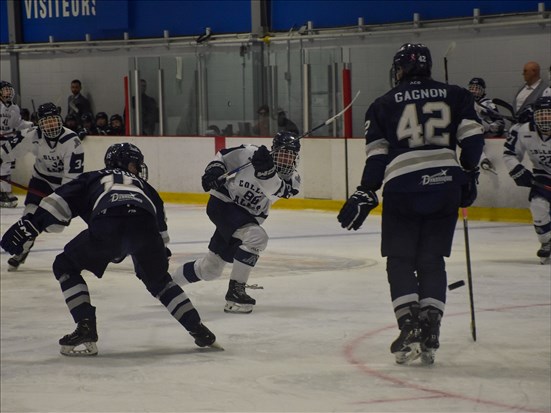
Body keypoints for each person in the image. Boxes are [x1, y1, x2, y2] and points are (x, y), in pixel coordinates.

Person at [337, 43, 484, 365]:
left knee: (401, 260)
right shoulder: (456, 95)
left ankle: (409, 325)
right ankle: (430, 325)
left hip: (402, 188)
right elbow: (473, 140)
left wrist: (366, 190)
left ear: (400, 69)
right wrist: (468, 174)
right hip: (445, 186)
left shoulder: (382, 104)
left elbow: (377, 157)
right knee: (432, 260)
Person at [0, 143, 221, 356]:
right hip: (145, 227)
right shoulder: (148, 188)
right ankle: (199, 329)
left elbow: (58, 202)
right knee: (160, 281)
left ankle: (85, 325)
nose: (137, 169)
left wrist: (33, 223)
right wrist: (157, 256)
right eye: (135, 164)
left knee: (65, 265)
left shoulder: (93, 177)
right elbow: (160, 231)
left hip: (108, 223)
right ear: (125, 163)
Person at [171, 132, 301, 313]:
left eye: (290, 156)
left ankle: (167, 285)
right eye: (282, 154)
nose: (286, 160)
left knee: (211, 269)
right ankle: (235, 291)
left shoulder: (293, 180)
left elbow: (274, 190)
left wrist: (267, 173)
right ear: (274, 150)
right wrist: (213, 171)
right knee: (257, 237)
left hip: (244, 219)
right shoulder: (249, 153)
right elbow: (223, 156)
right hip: (223, 204)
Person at [0, 102, 84, 271]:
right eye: (46, 121)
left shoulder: (72, 141)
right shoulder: (32, 135)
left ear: (59, 120)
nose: (50, 125)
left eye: (53, 120)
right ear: (40, 123)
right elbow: (8, 150)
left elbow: (72, 178)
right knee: (29, 216)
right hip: (41, 180)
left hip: (64, 186)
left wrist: (59, 199)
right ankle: (22, 250)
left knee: (55, 226)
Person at [503, 96, 551, 265]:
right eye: (541, 115)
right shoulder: (524, 131)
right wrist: (517, 170)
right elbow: (509, 154)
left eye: (549, 115)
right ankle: (547, 241)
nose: (545, 119)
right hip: (543, 175)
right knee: (538, 205)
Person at [0, 81, 34, 208]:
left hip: (7, 141)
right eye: (5, 90)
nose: (8, 92)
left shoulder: (14, 108)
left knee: (5, 166)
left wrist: (29, 124)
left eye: (9, 90)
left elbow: (18, 125)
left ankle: (4, 192)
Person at [467, 77, 505, 173]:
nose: (474, 91)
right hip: (476, 133)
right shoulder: (467, 103)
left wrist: (492, 126)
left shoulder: (487, 103)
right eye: (472, 88)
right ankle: (482, 159)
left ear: (483, 90)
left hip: (488, 131)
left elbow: (500, 123)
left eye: (477, 89)